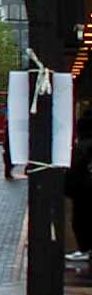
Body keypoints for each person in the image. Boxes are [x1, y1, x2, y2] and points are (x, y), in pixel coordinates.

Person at [65, 112, 92, 261]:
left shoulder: (81, 147)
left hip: (83, 192)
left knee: (81, 221)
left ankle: (84, 249)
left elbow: (74, 172)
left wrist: (67, 189)